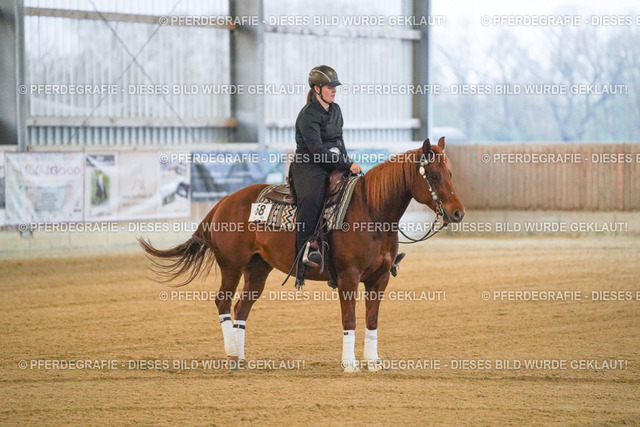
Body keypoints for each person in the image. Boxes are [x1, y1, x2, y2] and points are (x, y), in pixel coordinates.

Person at [289, 65, 362, 288]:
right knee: (312, 197)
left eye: (335, 87)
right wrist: (346, 164)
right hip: (309, 165)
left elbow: (339, 141)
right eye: (330, 87)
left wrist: (348, 164)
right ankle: (304, 252)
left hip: (333, 161)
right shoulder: (308, 115)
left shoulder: (336, 110)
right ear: (317, 89)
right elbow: (317, 152)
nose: (334, 90)